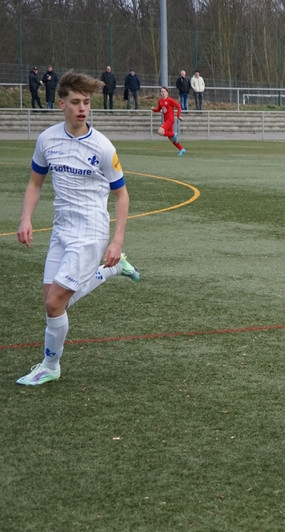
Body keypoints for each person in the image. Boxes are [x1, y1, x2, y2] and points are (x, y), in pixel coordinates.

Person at [15, 72, 140, 387]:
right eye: (75, 102)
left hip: (90, 233)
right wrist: (26, 218)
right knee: (53, 303)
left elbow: (122, 195)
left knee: (54, 302)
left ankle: (50, 366)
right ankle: (112, 270)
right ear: (61, 104)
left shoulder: (102, 147)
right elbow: (35, 183)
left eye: (86, 102)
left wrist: (116, 240)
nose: (82, 108)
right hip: (61, 230)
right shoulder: (47, 140)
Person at [152, 87, 185, 156]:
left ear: (167, 93)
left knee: (160, 132)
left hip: (170, 120)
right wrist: (153, 109)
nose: (163, 93)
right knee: (171, 138)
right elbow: (158, 109)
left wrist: (178, 116)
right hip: (166, 120)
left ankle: (174, 134)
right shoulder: (160, 100)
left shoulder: (169, 100)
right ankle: (181, 149)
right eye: (162, 91)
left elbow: (178, 106)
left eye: (164, 91)